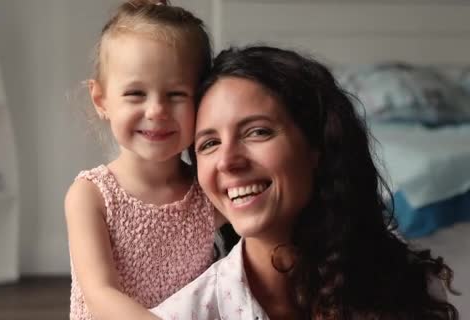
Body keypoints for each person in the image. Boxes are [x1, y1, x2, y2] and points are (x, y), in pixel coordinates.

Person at [151, 45, 459, 319]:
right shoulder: (186, 313)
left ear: (317, 146)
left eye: (257, 131)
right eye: (208, 143)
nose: (228, 161)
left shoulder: (409, 285)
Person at [64, 1, 224, 319]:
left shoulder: (206, 188)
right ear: (102, 100)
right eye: (136, 94)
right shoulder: (91, 195)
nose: (156, 111)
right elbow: (100, 293)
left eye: (176, 94)